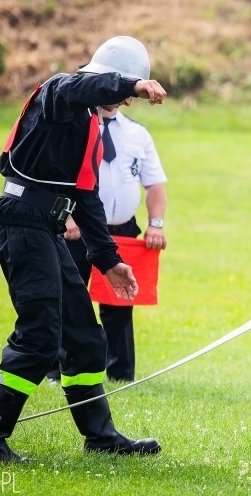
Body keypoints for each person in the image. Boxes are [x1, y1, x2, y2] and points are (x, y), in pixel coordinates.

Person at [0, 36, 167, 463]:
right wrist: (132, 83)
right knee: (39, 337)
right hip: (23, 224)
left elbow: (86, 197)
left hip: (48, 229)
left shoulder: (90, 122)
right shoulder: (61, 93)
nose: (128, 101)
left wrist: (108, 260)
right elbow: (80, 86)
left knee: (84, 337)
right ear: (111, 78)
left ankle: (101, 437)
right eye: (127, 91)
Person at [47, 106, 168, 383]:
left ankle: (121, 374)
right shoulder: (76, 127)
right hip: (77, 230)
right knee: (69, 299)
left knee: (121, 298)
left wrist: (156, 224)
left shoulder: (138, 133)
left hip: (122, 231)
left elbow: (154, 185)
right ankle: (58, 370)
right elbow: (57, 177)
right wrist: (67, 217)